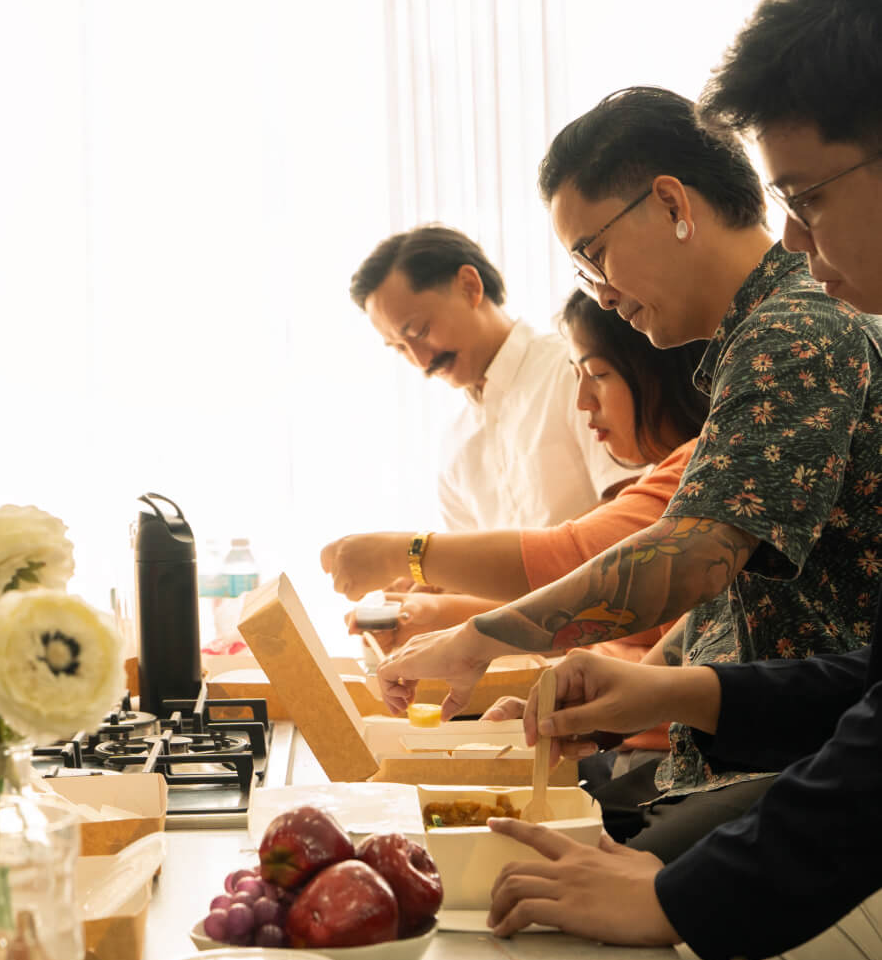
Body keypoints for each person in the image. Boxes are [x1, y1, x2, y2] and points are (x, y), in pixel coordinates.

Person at [484, 0, 882, 960]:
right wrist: (677, 687)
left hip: (846, 800)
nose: (799, 238)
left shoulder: (796, 327)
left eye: (808, 196)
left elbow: (690, 552)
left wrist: (684, 901)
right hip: (828, 771)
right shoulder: (777, 331)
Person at [374, 87, 881, 862]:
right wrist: (618, 692)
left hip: (817, 768)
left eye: (592, 254)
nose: (599, 291)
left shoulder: (793, 331)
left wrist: (478, 636)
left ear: (673, 203)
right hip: (756, 745)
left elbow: (690, 558)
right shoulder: (761, 332)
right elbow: (739, 593)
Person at [324, 288, 708, 649]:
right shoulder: (454, 437)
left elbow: (581, 559)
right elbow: (580, 613)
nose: (583, 401)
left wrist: (405, 553)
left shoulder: (696, 472)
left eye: (420, 330)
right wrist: (438, 609)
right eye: (398, 347)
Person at [350, 225, 633, 541]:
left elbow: (631, 505)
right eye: (400, 348)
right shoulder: (454, 447)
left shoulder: (574, 372)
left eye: (419, 332)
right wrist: (430, 581)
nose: (420, 361)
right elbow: (474, 575)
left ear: (469, 286)